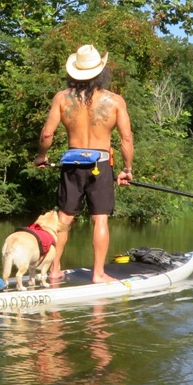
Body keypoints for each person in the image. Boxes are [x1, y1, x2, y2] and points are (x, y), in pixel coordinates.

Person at [34, 44, 134, 284]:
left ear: (74, 72)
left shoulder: (62, 98)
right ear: (101, 72)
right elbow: (127, 138)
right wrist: (127, 169)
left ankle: (54, 270)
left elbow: (47, 134)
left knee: (64, 219)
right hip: (101, 163)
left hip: (72, 163)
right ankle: (98, 274)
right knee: (100, 218)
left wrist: (41, 156)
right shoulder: (115, 101)